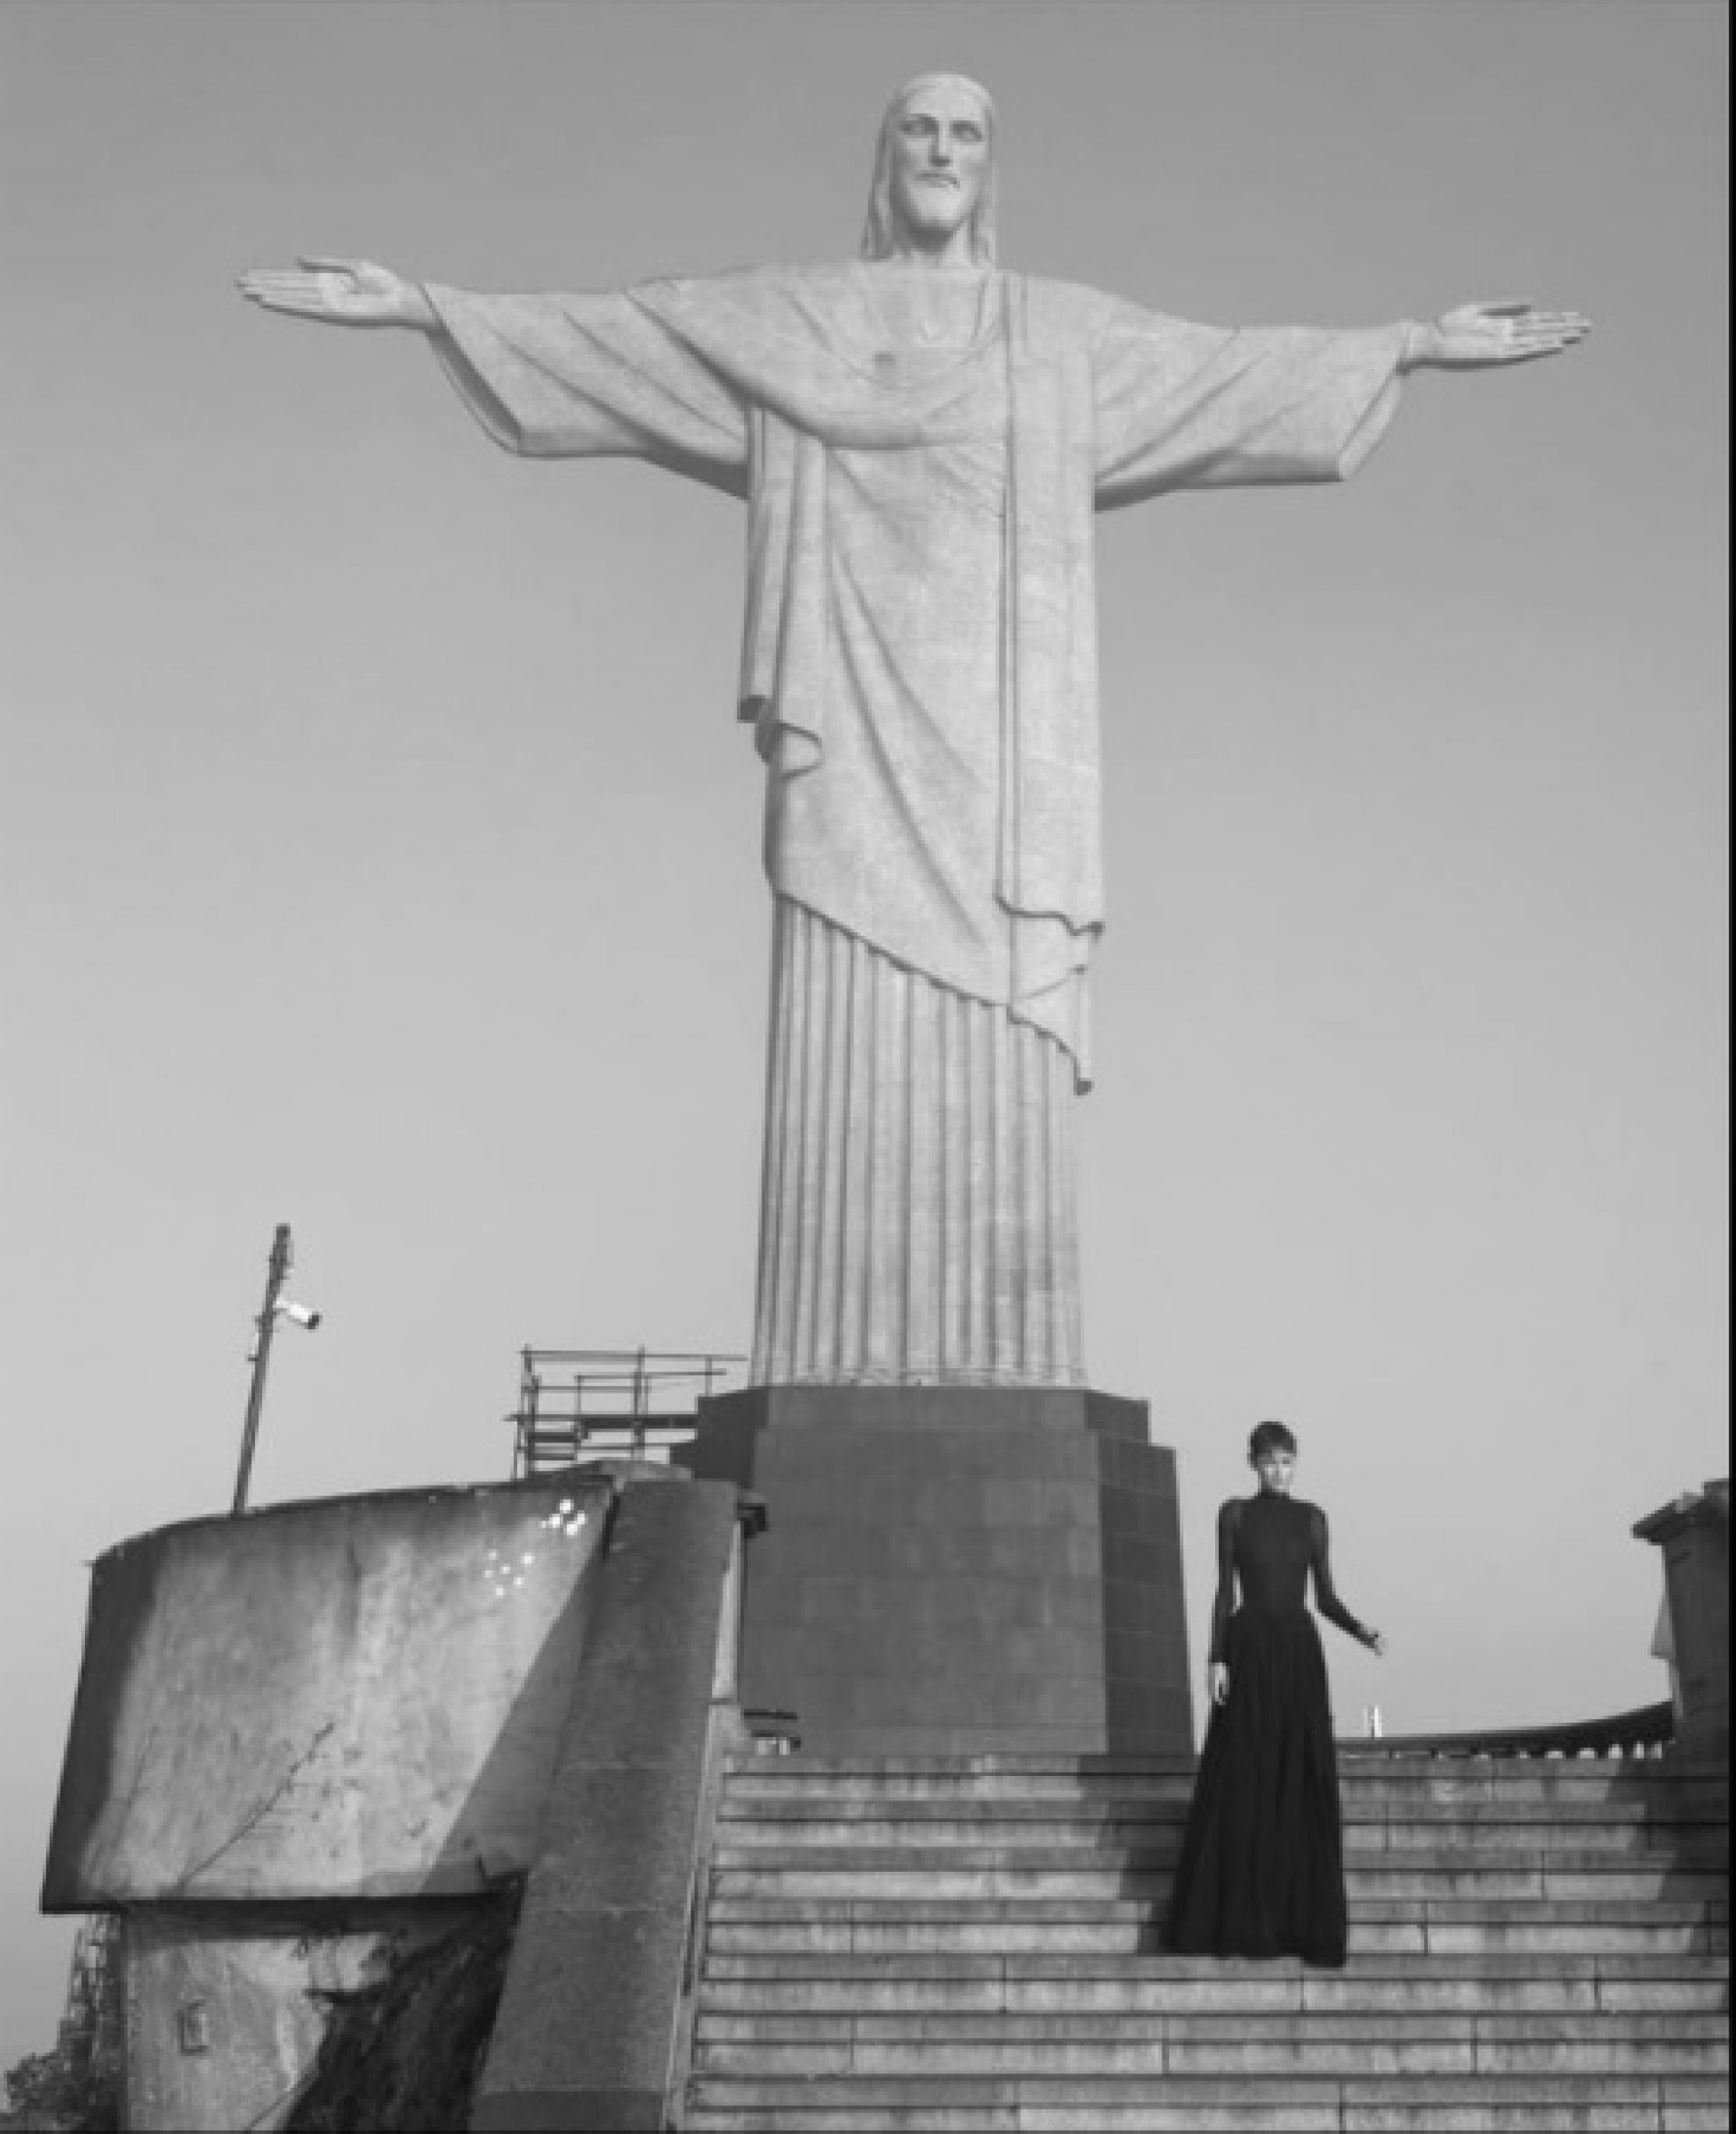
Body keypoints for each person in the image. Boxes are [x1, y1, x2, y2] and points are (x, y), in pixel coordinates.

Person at [237, 77, 1588, 1393]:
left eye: (967, 134)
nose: (942, 149)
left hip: (1007, 748)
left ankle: (1001, 1359)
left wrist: (1405, 341)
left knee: (1001, 1026)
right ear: (883, 165)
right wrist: (428, 308)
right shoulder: (795, 321)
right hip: (851, 726)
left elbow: (1224, 373)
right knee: (843, 993)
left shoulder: (1057, 339)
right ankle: (835, 1358)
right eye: (919, 130)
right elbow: (628, 340)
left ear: (991, 170)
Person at [1165, 1420, 1384, 1968]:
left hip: (1298, 1657)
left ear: (1296, 1463)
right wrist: (1216, 1658)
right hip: (1247, 1650)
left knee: (1297, 1781)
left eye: (1287, 1461)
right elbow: (1223, 1590)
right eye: (1269, 1462)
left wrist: (1362, 1631)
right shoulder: (1234, 1513)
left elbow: (1326, 1598)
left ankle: (1297, 1921)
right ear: (1253, 1463)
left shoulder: (1313, 1520)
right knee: (1247, 1782)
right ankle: (1243, 1918)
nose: (1279, 1471)